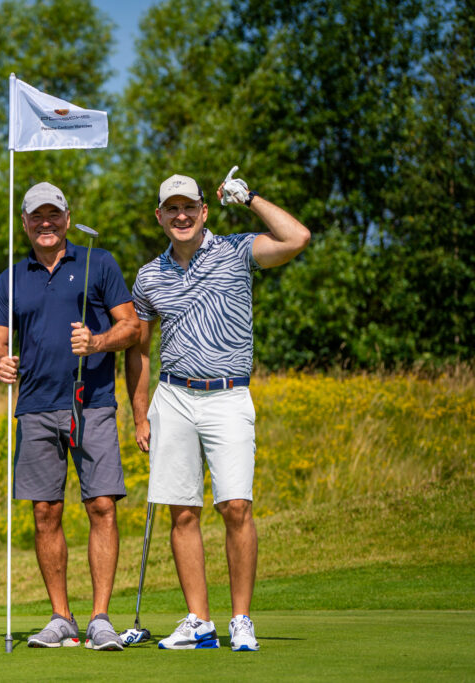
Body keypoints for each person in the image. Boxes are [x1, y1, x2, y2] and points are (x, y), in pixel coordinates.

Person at [125, 168, 311, 651]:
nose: (181, 215)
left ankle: (241, 619)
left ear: (205, 211)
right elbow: (139, 350)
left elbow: (297, 238)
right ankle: (199, 621)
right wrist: (140, 414)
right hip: (174, 396)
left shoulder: (236, 250)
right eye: (172, 208)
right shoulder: (148, 276)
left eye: (189, 207)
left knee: (236, 506)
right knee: (182, 511)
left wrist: (249, 198)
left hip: (228, 394)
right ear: (159, 216)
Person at [0, 182, 138, 651]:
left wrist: (97, 342)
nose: (45, 223)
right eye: (37, 216)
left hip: (92, 402)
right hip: (35, 405)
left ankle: (100, 619)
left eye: (53, 215)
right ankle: (61, 617)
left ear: (68, 219)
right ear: (25, 223)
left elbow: (131, 326)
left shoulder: (98, 262)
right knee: (45, 511)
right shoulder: (12, 277)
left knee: (102, 505)